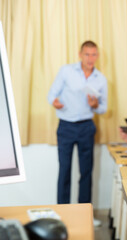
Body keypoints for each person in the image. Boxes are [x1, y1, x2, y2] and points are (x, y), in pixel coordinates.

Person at [47, 41, 107, 226]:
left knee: (86, 172)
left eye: (94, 55)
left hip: (86, 127)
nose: (90, 58)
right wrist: (55, 102)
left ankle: (84, 215)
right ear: (80, 54)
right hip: (66, 126)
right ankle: (61, 215)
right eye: (87, 54)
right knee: (64, 170)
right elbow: (51, 95)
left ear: (97, 56)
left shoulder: (100, 79)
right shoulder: (66, 71)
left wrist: (95, 105)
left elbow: (103, 108)